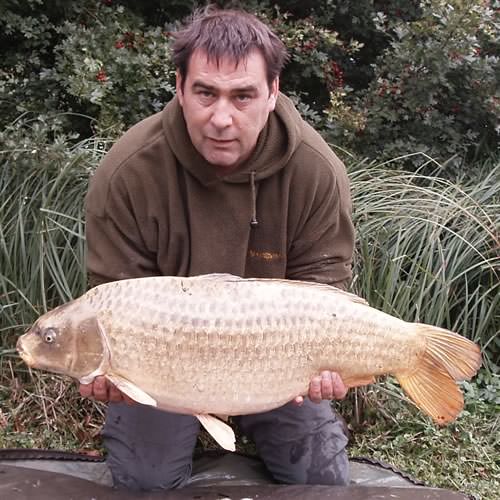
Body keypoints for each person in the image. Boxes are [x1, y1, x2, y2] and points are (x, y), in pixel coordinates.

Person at [80, 6, 355, 491]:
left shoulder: (315, 171)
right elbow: (113, 302)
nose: (221, 119)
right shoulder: (128, 172)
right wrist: (111, 370)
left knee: (322, 480)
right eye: (205, 93)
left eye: (243, 95)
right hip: (166, 361)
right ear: (181, 89)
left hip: (277, 354)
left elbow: (324, 294)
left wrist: (327, 367)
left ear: (273, 93)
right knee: (144, 482)